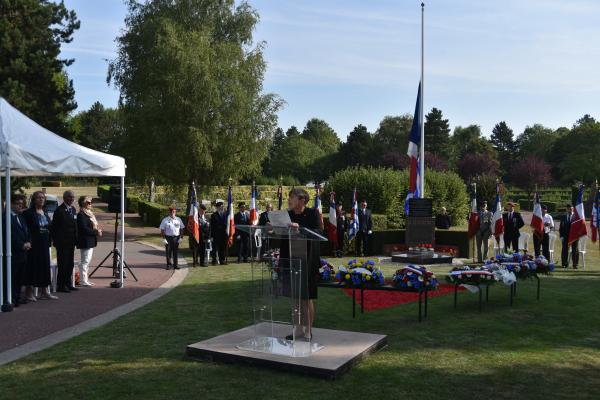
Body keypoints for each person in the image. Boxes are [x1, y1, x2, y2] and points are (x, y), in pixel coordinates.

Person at [279, 188, 321, 340]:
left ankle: (308, 329)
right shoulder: (287, 215)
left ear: (302, 200)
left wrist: (301, 229)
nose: (289, 199)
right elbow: (282, 234)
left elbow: (318, 233)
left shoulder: (312, 214)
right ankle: (297, 328)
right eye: (289, 197)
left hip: (307, 260)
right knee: (294, 296)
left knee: (305, 297)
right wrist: (272, 229)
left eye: (292, 197)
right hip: (289, 258)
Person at [22, 191, 57, 300]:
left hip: (44, 243)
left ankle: (44, 291)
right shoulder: (28, 213)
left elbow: (49, 228)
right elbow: (25, 229)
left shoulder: (45, 212)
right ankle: (29, 292)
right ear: (33, 200)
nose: (41, 199)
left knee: (45, 267)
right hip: (33, 245)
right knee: (32, 267)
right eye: (38, 198)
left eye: (43, 198)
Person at [51, 190, 78, 292]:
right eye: (69, 197)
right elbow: (55, 228)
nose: (71, 199)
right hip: (62, 243)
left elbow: (75, 226)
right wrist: (56, 241)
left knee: (70, 264)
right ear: (64, 198)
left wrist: (76, 239)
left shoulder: (73, 210)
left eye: (73, 197)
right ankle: (61, 285)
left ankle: (68, 283)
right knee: (63, 264)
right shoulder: (59, 210)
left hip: (71, 242)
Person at [10, 194, 32, 306]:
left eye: (21, 204)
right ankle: (12, 298)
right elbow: (10, 236)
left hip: (23, 253)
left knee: (20, 277)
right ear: (11, 204)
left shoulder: (21, 217)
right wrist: (21, 245)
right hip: (13, 253)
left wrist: (29, 242)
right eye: (18, 204)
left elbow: (27, 232)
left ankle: (18, 296)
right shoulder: (6, 218)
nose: (20, 206)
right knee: (13, 277)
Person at [76, 196, 102, 286]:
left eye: (90, 202)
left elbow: (91, 226)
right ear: (82, 203)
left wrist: (97, 230)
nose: (90, 204)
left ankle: (85, 279)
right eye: (88, 202)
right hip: (85, 241)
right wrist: (96, 232)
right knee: (85, 261)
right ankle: (83, 281)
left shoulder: (89, 214)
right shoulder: (81, 215)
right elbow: (84, 229)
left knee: (87, 261)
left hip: (90, 241)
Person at [559, 203, 579, 269]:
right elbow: (561, 227)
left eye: (571, 209)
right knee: (564, 250)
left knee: (575, 250)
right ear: (566, 209)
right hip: (565, 236)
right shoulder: (563, 217)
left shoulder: (576, 216)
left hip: (574, 236)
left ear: (573, 209)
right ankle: (564, 264)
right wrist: (561, 236)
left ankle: (575, 264)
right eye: (568, 209)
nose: (569, 210)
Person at [210, 200, 227, 265]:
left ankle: (222, 260)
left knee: (222, 248)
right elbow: (212, 226)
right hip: (216, 235)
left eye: (223, 206)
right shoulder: (214, 215)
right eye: (221, 206)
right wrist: (211, 236)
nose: (222, 207)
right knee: (215, 249)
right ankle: (214, 261)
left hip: (223, 234)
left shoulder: (225, 214)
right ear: (217, 207)